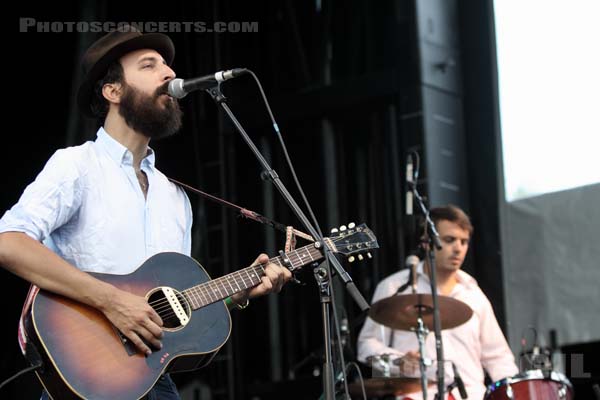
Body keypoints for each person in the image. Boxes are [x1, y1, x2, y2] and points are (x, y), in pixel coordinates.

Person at [0, 25, 292, 399]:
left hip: (152, 379)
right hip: (85, 375)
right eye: (149, 65)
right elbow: (10, 243)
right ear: (113, 91)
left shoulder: (174, 196)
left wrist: (240, 292)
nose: (170, 74)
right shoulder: (76, 166)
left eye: (167, 66)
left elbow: (175, 310)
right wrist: (112, 301)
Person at [357, 205, 518, 400]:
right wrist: (398, 362)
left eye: (464, 241)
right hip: (416, 395)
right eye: (449, 240)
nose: (458, 248)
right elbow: (367, 345)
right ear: (426, 243)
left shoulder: (474, 294)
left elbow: (498, 356)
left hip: (471, 395)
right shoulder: (395, 287)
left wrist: (514, 393)